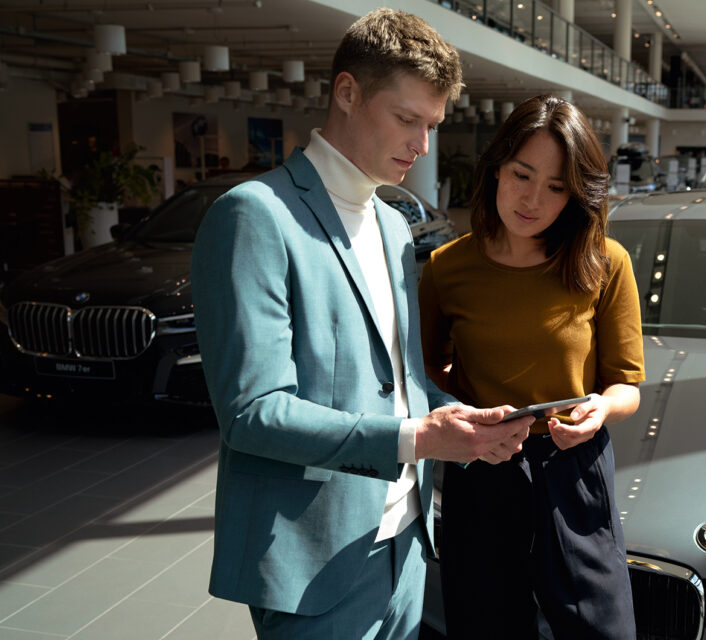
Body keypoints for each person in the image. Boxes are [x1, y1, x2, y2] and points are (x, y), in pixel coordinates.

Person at [190, 9, 533, 640]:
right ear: (346, 92)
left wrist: (465, 420)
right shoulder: (255, 216)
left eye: (432, 125)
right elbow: (252, 412)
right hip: (313, 561)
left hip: (406, 546)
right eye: (408, 119)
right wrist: (415, 439)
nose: (422, 145)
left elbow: (398, 381)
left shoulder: (394, 224)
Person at [418, 95, 645, 639]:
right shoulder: (448, 269)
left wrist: (601, 409)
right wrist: (465, 415)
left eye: (556, 186)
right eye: (522, 174)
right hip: (484, 464)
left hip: (575, 466)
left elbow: (627, 386)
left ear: (576, 194)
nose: (532, 199)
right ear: (497, 166)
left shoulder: (604, 262)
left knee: (601, 628)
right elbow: (424, 375)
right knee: (485, 623)